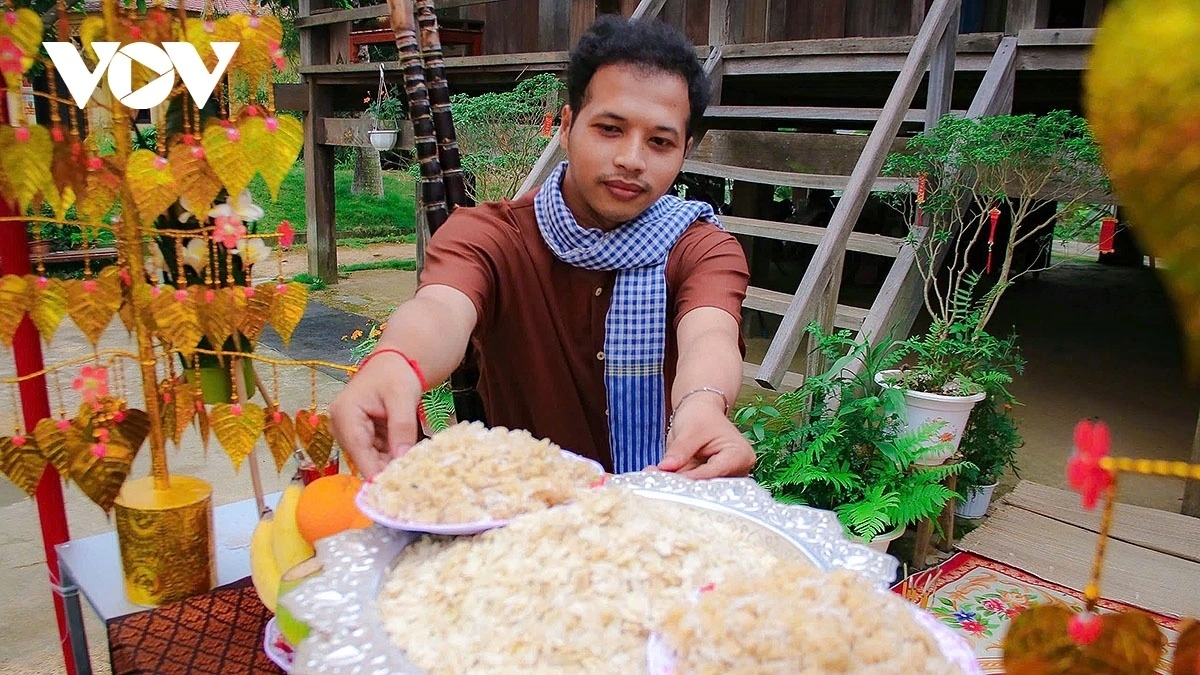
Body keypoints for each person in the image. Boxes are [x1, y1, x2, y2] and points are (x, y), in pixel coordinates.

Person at [330, 16, 753, 480]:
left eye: (659, 141)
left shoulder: (700, 248)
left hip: (663, 516)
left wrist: (703, 405)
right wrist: (395, 363)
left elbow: (710, 334)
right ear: (567, 125)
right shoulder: (490, 236)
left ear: (684, 150)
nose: (632, 160)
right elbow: (440, 309)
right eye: (610, 129)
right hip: (528, 524)